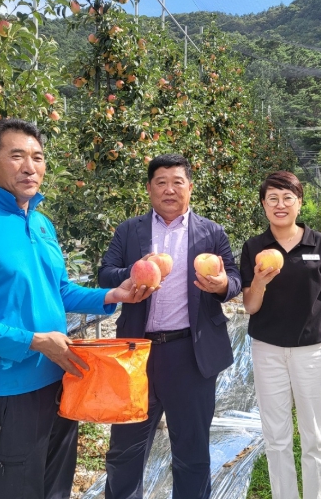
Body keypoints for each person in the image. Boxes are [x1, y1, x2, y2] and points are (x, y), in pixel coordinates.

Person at [0, 118, 155, 499]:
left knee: (55, 490)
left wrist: (113, 295)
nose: (29, 167)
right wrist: (32, 341)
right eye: (16, 156)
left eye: (37, 157)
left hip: (58, 381)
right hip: (5, 395)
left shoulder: (42, 224)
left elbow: (59, 290)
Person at [99, 153, 241, 499]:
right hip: (137, 354)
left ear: (190, 187)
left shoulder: (211, 232)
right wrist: (135, 270)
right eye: (161, 182)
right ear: (149, 189)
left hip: (190, 354)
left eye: (177, 182)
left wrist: (222, 284)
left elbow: (235, 279)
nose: (169, 189)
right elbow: (105, 274)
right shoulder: (129, 230)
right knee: (125, 449)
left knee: (191, 452)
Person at [240, 171, 321, 499]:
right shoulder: (254, 247)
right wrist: (259, 282)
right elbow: (250, 306)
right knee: (276, 436)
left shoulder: (319, 244)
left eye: (288, 197)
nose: (280, 205)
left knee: (314, 434)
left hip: (310, 350)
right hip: (268, 350)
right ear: (263, 205)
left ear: (299, 203)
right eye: (272, 198)